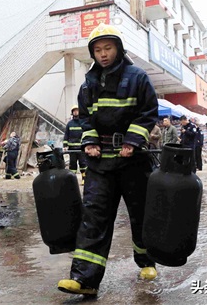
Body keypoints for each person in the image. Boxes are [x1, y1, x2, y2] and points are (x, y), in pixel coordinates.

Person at [57, 23, 158, 296]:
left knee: (139, 213)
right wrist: (88, 141)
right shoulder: (88, 83)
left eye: (108, 48)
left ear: (119, 48)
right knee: (94, 217)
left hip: (133, 161)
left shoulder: (138, 77)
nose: (103, 54)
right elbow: (86, 118)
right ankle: (84, 280)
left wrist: (132, 141)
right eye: (98, 50)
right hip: (100, 164)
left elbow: (148, 112)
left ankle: (146, 261)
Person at [63, 105, 87, 182]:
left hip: (81, 148)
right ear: (72, 113)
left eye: (77, 110)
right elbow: (66, 135)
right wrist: (65, 145)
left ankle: (84, 178)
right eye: (74, 111)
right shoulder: (69, 124)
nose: (76, 112)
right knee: (72, 165)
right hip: (72, 149)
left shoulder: (83, 123)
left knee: (83, 164)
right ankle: (72, 180)